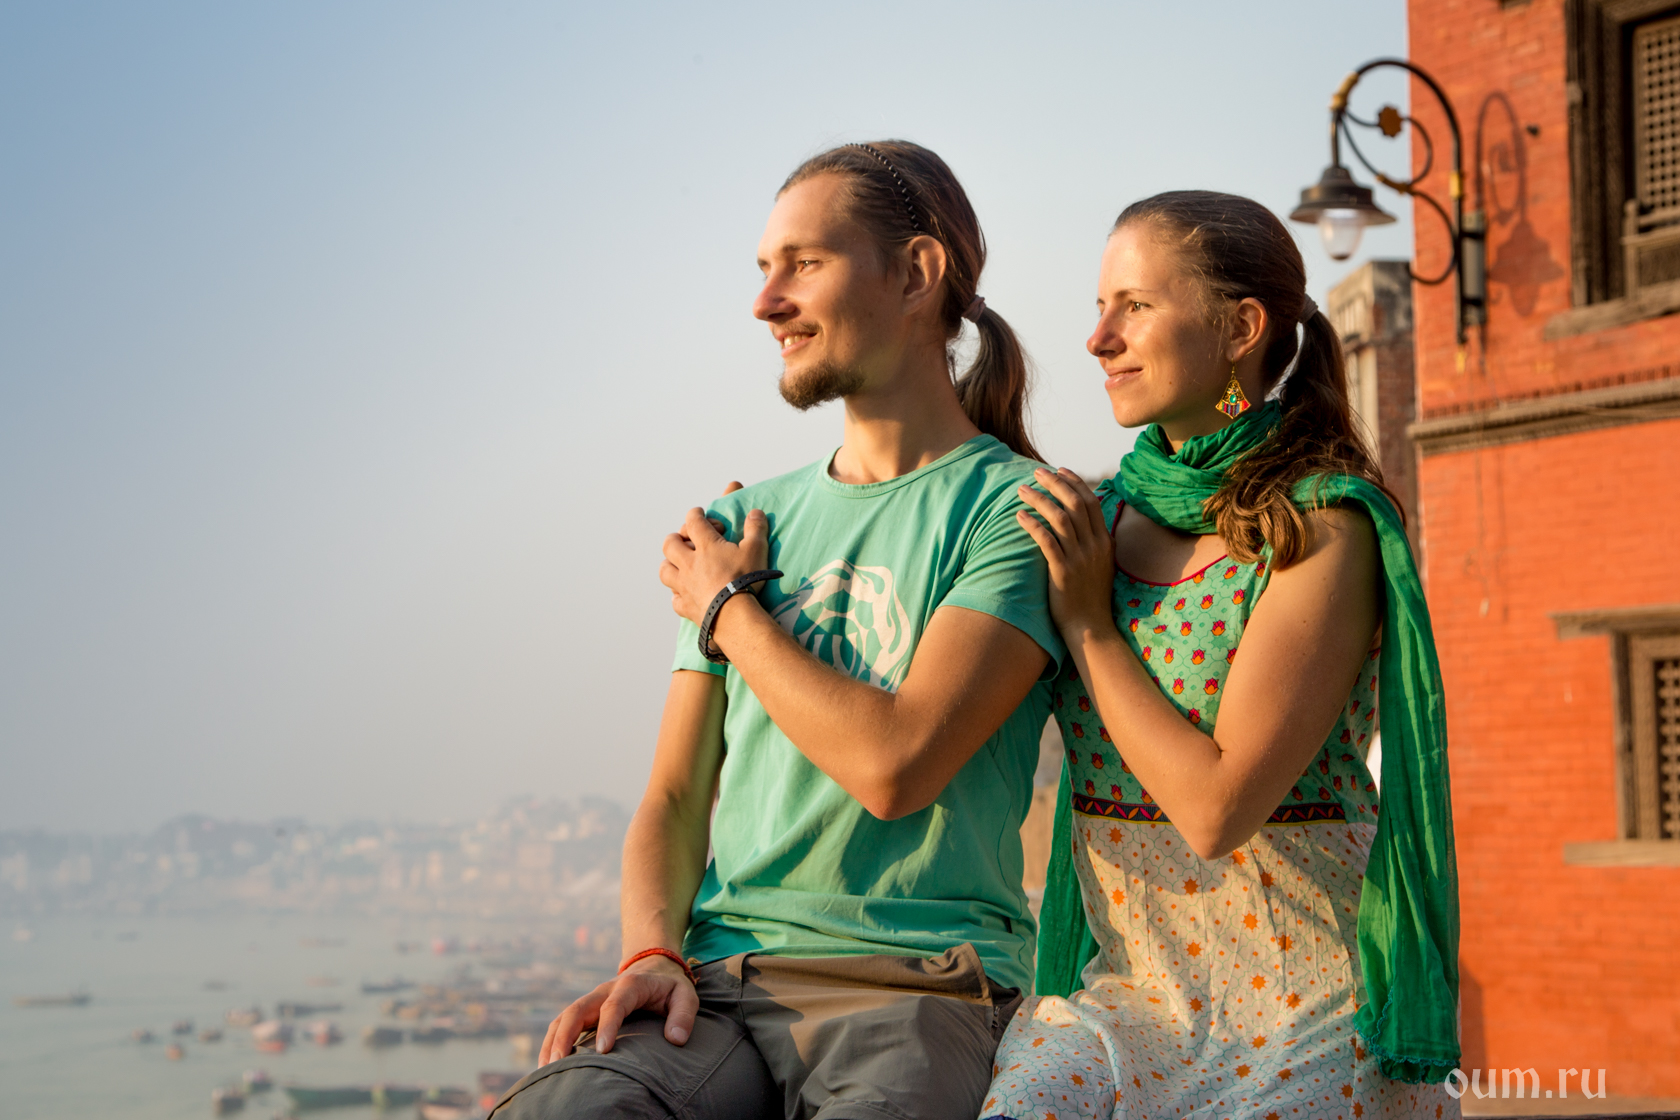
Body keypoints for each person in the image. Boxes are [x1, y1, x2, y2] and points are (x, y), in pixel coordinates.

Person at [492, 141, 1065, 1120]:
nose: (766, 302)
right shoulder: (742, 523)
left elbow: (896, 766)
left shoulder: (1019, 510)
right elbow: (677, 793)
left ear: (917, 274)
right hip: (717, 987)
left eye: (804, 263)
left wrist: (730, 612)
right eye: (764, 268)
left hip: (920, 988)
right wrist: (649, 952)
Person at [978, 190, 1461, 1120]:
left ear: (1240, 327)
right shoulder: (1098, 520)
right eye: (1100, 308)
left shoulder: (1320, 527)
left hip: (1304, 1005)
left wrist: (1090, 628)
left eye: (1136, 306)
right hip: (1128, 996)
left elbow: (1216, 808)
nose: (1099, 340)